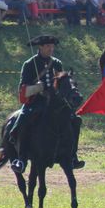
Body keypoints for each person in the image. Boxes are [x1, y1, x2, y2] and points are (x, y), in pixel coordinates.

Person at [8, 35, 83, 175]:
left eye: (52, 46)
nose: (51, 49)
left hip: (54, 104)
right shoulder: (30, 64)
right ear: (40, 47)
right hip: (36, 102)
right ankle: (21, 159)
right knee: (22, 121)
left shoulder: (57, 63)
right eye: (48, 46)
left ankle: (72, 155)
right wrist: (36, 88)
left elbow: (63, 84)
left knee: (76, 120)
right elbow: (22, 90)